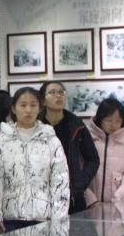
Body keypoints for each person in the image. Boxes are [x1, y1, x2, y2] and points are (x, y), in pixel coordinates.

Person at [0, 87, 70, 233]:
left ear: (40, 108)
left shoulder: (50, 140)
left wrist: (58, 220)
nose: (28, 110)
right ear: (13, 108)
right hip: (9, 220)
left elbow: (60, 181)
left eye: (33, 105)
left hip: (43, 219)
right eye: (23, 105)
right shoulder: (1, 141)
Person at [41, 81, 100, 213]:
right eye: (52, 92)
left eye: (61, 92)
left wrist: (80, 183)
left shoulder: (76, 125)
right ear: (43, 100)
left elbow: (93, 159)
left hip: (72, 198)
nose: (58, 96)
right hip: (43, 198)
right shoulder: (37, 125)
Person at [85, 97, 124, 205]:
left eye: (118, 121)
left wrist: (117, 200)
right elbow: (78, 174)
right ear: (100, 119)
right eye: (108, 120)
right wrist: (92, 201)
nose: (113, 125)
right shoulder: (87, 140)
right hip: (89, 206)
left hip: (119, 206)